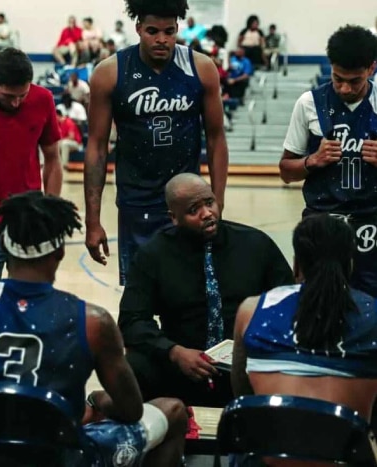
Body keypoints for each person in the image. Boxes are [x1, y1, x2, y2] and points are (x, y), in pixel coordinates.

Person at [0, 191, 188, 466]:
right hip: (66, 457)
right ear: (61, 251)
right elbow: (131, 410)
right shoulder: (93, 321)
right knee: (173, 411)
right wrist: (98, 401)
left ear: (3, 244)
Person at [84, 0, 229, 286]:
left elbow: (216, 138)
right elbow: (97, 147)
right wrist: (93, 220)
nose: (162, 39)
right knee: (141, 296)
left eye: (169, 31)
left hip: (187, 201)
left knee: (189, 294)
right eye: (152, 31)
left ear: (178, 29)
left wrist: (218, 204)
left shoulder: (201, 68)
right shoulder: (110, 72)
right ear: (137, 27)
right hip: (135, 202)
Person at [118, 174, 294, 407]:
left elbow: (289, 303)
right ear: (174, 218)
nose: (207, 214)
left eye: (209, 203)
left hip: (248, 362)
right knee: (133, 365)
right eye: (194, 210)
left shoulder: (255, 244)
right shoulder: (153, 255)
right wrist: (174, 352)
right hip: (183, 363)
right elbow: (131, 321)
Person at [232, 214, 377, 435]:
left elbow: (241, 392)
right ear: (350, 264)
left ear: (297, 265)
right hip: (346, 456)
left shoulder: (251, 311)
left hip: (267, 454)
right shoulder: (373, 314)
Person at [279, 24, 377, 298]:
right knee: (317, 302)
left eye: (354, 81)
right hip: (320, 223)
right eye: (337, 78)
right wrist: (312, 161)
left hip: (371, 222)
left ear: (371, 68)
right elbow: (286, 171)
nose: (345, 88)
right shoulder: (308, 103)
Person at [0, 47, 62, 287]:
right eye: (8, 96)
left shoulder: (43, 99)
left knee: (30, 301)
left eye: (22, 95)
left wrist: (50, 214)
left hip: (28, 225)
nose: (16, 102)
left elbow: (53, 159)